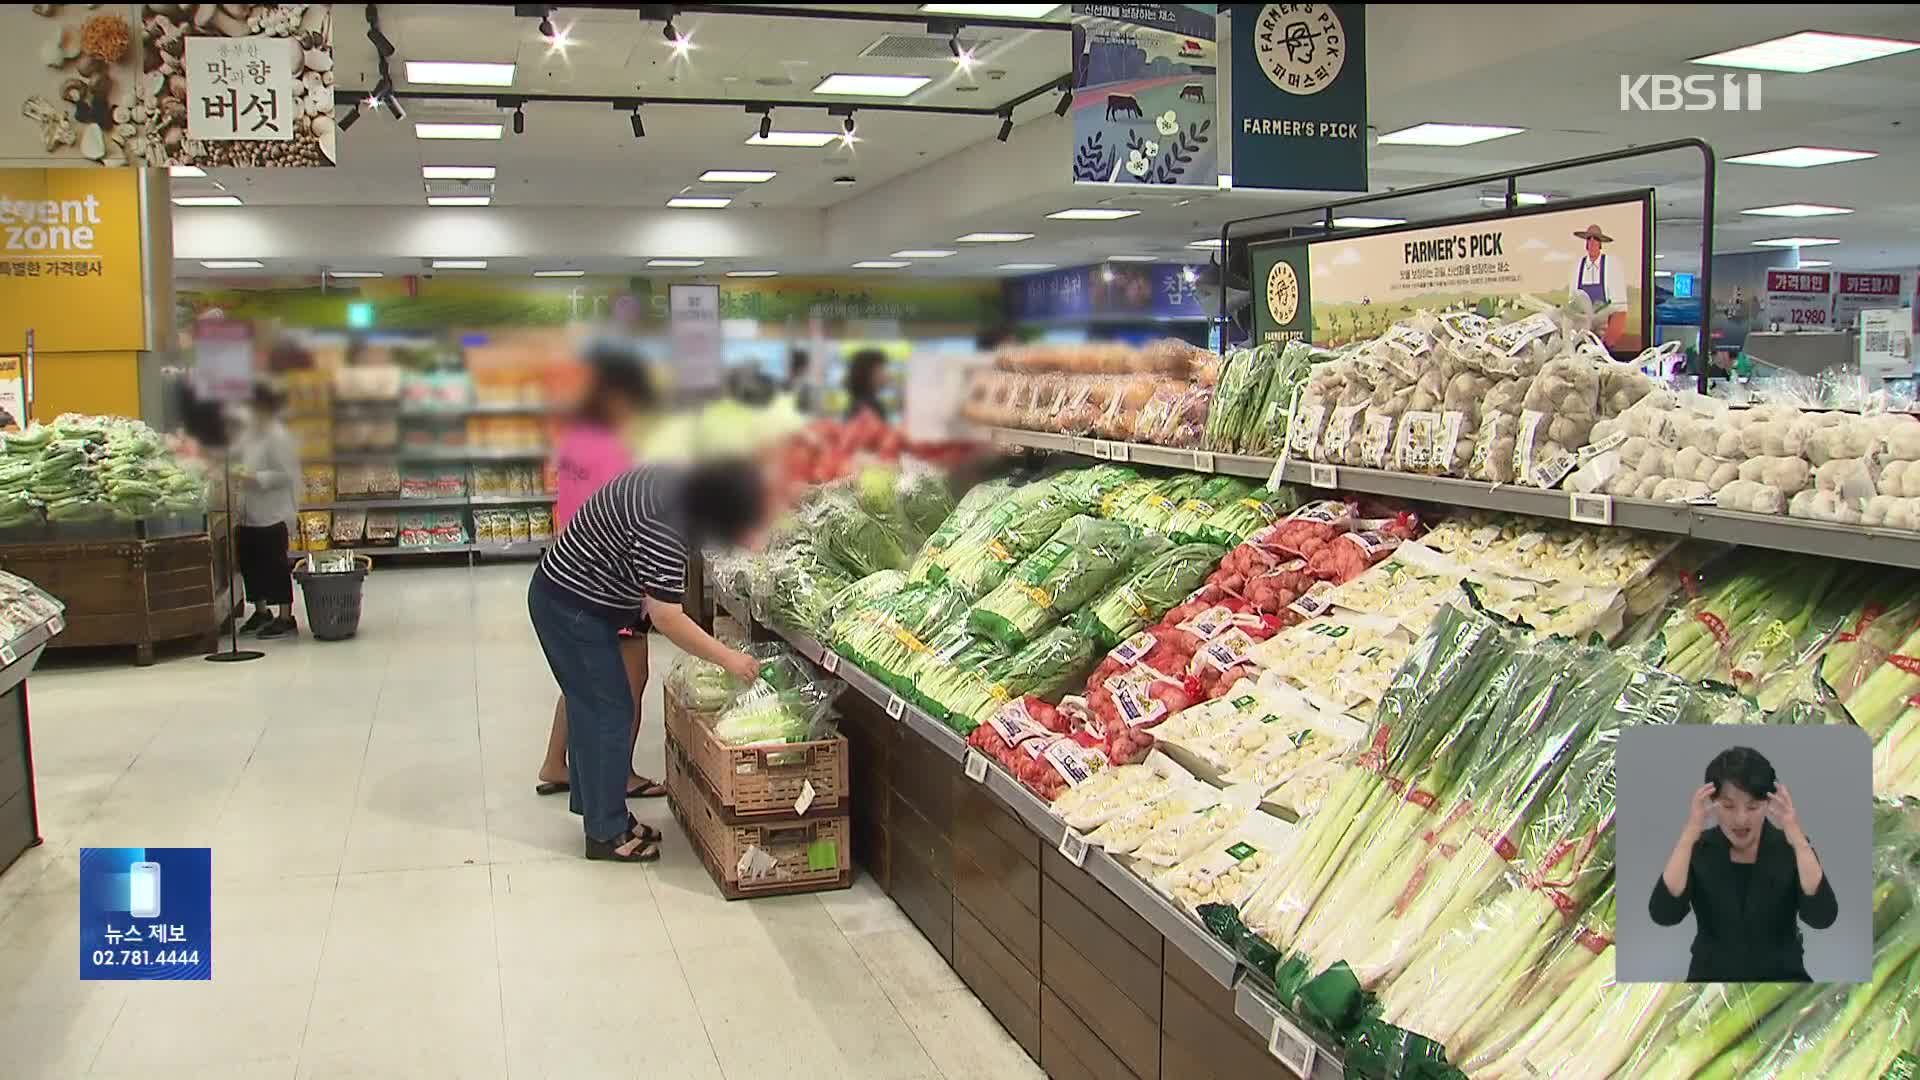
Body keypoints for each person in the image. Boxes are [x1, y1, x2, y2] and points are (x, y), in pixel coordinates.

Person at [528, 458, 769, 862]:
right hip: (572, 608)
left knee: (593, 710)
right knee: (609, 711)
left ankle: (606, 815)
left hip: (578, 599)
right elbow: (667, 617)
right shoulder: (668, 519)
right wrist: (729, 659)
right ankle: (605, 834)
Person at [536, 355, 661, 800]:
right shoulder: (618, 449)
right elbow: (634, 519)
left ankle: (556, 762)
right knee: (629, 678)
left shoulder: (574, 438)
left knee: (583, 678)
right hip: (610, 581)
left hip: (571, 566)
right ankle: (619, 775)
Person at [1649, 746, 1837, 981]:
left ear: (1769, 804)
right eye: (1728, 806)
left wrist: (1796, 835)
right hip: (1709, 981)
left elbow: (1822, 916)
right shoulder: (1698, 849)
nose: (1740, 819)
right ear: (1711, 802)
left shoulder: (1792, 848)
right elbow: (1664, 913)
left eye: (1752, 807)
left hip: (1782, 981)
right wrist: (1690, 832)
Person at [233, 383, 301, 639]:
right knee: (251, 563)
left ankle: (286, 616)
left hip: (273, 512)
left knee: (275, 564)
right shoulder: (249, 434)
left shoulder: (278, 436)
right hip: (249, 512)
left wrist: (257, 479)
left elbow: (288, 475)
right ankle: (261, 611)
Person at [1569, 224, 1629, 347]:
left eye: (1595, 239)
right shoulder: (1578, 266)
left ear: (1600, 244)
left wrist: (1609, 339)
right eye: (1589, 239)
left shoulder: (1611, 265)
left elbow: (1619, 306)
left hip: (1603, 331)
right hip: (1582, 331)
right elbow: (1572, 300)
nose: (1591, 242)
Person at [844, 348, 891, 422]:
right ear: (867, 374)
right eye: (881, 370)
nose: (886, 375)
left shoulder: (859, 403)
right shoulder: (867, 408)